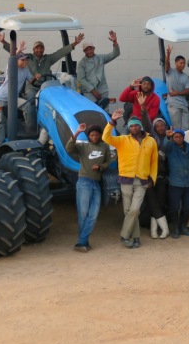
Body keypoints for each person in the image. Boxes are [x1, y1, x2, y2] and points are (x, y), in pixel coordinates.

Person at [0, 31, 84, 126]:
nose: (39, 50)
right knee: (31, 100)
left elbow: (60, 52)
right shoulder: (28, 58)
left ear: (43, 50)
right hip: (32, 86)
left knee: (52, 101)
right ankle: (31, 124)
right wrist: (3, 42)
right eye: (37, 48)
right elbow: (14, 51)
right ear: (33, 49)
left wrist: (75, 43)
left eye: (41, 48)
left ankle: (50, 122)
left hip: (45, 87)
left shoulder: (48, 59)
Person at [103, 108, 158, 249]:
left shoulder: (150, 141)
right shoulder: (122, 140)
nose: (134, 127)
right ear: (128, 128)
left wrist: (152, 178)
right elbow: (106, 138)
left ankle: (124, 235)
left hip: (142, 180)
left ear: (140, 126)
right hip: (126, 179)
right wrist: (112, 121)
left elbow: (154, 162)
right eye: (131, 126)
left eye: (136, 125)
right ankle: (136, 237)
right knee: (128, 211)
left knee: (135, 210)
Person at [66, 123, 112, 251]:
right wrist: (77, 132)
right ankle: (82, 243)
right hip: (84, 182)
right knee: (83, 213)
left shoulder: (104, 146)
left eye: (97, 134)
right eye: (92, 135)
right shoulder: (83, 146)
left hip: (96, 183)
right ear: (89, 136)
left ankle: (82, 242)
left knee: (93, 214)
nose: (94, 137)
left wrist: (101, 167)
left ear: (100, 135)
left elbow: (108, 162)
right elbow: (69, 148)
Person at [137, 94, 170, 239]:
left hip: (163, 177)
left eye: (162, 125)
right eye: (157, 126)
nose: (160, 127)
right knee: (152, 201)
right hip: (150, 176)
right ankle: (162, 229)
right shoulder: (152, 138)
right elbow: (146, 123)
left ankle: (155, 229)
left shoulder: (170, 138)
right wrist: (143, 108)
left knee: (160, 202)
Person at [162, 129, 189, 238]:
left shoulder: (188, 147)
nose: (178, 139)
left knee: (188, 206)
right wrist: (168, 137)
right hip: (174, 182)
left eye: (180, 137)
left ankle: (183, 227)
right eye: (176, 137)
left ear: (183, 137)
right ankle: (175, 229)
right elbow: (165, 147)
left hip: (188, 182)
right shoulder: (170, 147)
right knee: (174, 207)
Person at [0, 52, 34, 142]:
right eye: (22, 60)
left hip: (13, 98)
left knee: (27, 105)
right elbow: (11, 59)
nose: (25, 62)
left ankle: (29, 131)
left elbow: (31, 80)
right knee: (0, 122)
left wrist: (36, 77)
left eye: (26, 60)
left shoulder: (26, 69)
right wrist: (18, 49)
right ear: (16, 61)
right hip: (1, 98)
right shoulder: (12, 67)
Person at [77, 32, 120, 110]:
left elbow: (115, 54)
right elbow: (81, 79)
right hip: (89, 93)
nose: (89, 51)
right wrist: (93, 90)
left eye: (90, 49)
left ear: (94, 48)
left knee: (104, 113)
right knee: (92, 113)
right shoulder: (82, 63)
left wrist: (115, 42)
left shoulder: (101, 58)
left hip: (102, 91)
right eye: (87, 50)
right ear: (84, 51)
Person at [164, 46, 189, 130]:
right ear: (175, 63)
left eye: (184, 63)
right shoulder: (170, 72)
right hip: (173, 104)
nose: (183, 65)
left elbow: (188, 90)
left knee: (186, 128)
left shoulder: (185, 76)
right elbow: (167, 64)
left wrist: (177, 93)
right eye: (181, 63)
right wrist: (168, 54)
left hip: (184, 104)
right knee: (177, 128)